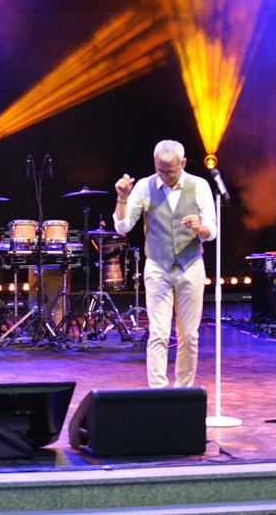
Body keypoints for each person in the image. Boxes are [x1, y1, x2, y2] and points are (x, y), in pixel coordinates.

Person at [114, 140, 216, 389]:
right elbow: (123, 227)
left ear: (183, 163)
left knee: (188, 336)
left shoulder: (199, 186)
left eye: (171, 171)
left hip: (190, 266)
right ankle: (158, 392)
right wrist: (122, 199)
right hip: (158, 267)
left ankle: (184, 391)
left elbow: (211, 232)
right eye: (160, 170)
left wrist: (199, 228)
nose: (166, 176)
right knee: (158, 334)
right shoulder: (145, 187)